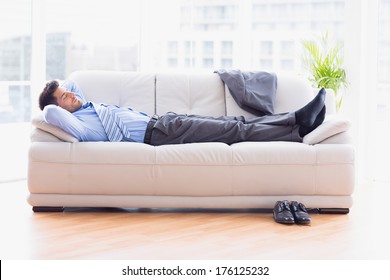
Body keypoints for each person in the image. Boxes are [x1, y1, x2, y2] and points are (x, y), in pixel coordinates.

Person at [38, 80, 326, 145]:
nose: (72, 94)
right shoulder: (79, 124)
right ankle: (298, 126)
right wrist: (51, 101)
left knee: (235, 121)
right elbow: (51, 113)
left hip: (164, 120)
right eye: (65, 96)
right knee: (235, 132)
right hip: (159, 134)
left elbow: (72, 85)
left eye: (69, 91)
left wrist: (61, 89)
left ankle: (295, 119)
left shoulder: (85, 106)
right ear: (58, 104)